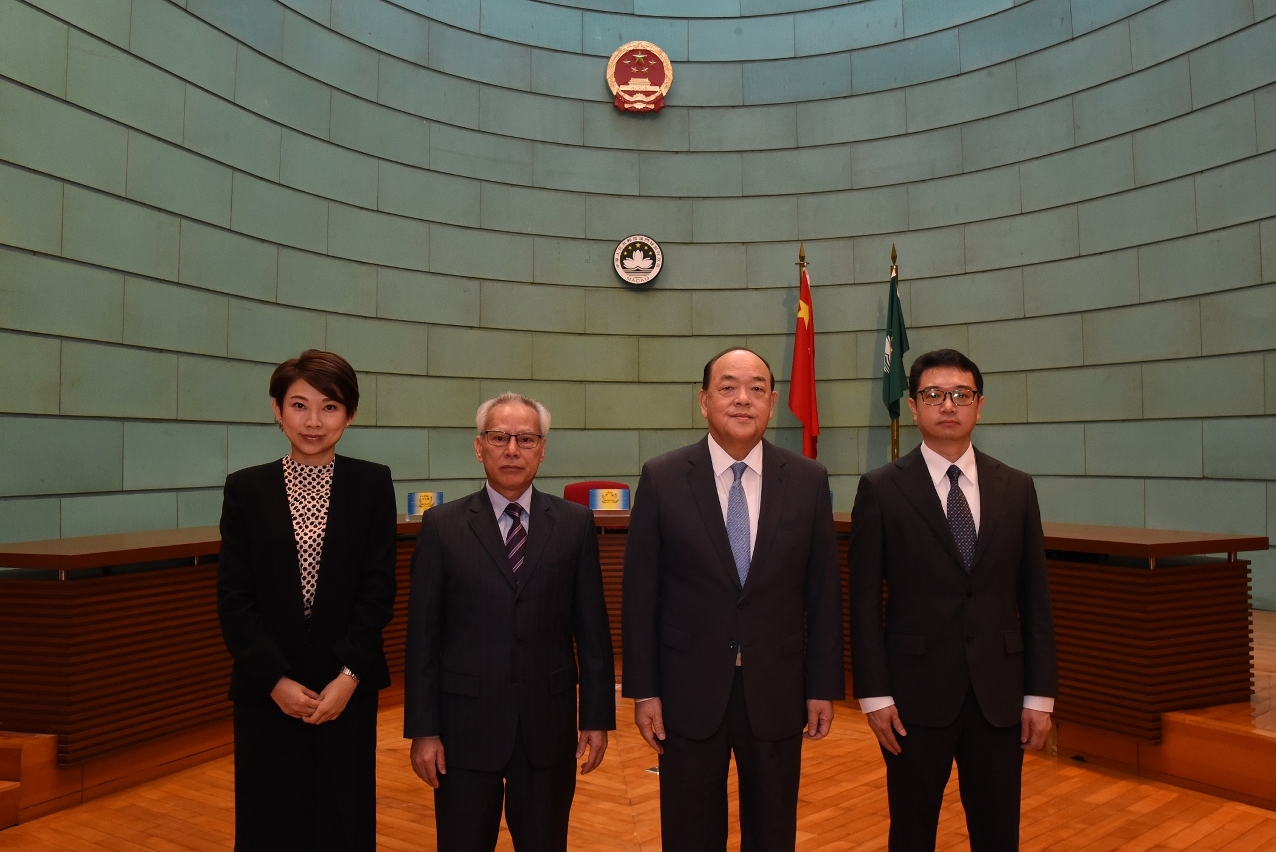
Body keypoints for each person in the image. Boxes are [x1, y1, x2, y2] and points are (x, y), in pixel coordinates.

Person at [621, 347, 845, 852]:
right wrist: (644, 691)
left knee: (773, 833)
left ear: (773, 403)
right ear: (704, 401)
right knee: (690, 833)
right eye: (728, 387)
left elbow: (823, 594)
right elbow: (640, 596)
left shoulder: (808, 480)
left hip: (778, 688)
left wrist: (822, 687)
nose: (743, 399)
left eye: (757, 389)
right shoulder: (663, 477)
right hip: (687, 689)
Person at [849, 348, 1058, 852]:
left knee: (997, 833)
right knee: (912, 832)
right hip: (913, 699)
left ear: (979, 406)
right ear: (913, 406)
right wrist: (875, 696)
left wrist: (1039, 696)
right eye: (933, 395)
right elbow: (862, 603)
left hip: (999, 697)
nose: (948, 405)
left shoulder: (1017, 488)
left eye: (961, 394)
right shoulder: (881, 489)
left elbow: (1035, 599)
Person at [404, 392, 615, 852]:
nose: (512, 450)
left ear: (543, 449)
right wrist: (424, 729)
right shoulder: (442, 525)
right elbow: (422, 639)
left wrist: (596, 718)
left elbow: (593, 632)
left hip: (548, 728)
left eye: (526, 439)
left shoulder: (575, 523)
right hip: (463, 731)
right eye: (499, 438)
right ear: (479, 447)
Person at [216, 350, 397, 852]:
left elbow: (378, 590)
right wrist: (274, 680)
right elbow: (234, 598)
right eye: (299, 405)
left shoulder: (372, 483)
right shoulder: (246, 488)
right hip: (268, 690)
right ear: (277, 410)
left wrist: (348, 677)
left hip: (345, 690)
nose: (313, 421)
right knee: (270, 825)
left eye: (329, 406)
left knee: (342, 823)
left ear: (350, 414)